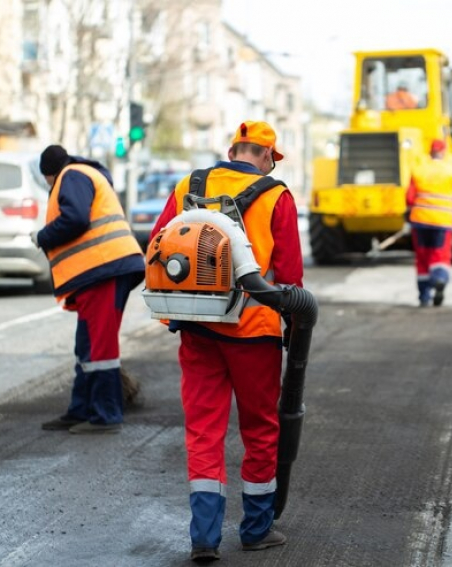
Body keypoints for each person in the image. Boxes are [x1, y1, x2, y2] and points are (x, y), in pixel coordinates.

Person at [149, 121, 303, 562]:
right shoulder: (276, 195)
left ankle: (204, 538)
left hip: (198, 329)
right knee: (259, 431)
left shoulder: (188, 185)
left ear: (232, 150)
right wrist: (294, 327)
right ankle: (256, 529)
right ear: (269, 157)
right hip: (254, 334)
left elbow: (159, 246)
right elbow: (290, 276)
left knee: (203, 431)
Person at [34, 144, 145, 434]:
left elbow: (76, 218)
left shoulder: (71, 175)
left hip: (103, 269)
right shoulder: (83, 173)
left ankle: (106, 415)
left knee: (100, 347)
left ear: (48, 174)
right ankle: (81, 409)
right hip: (100, 271)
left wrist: (42, 236)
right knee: (87, 345)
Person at [406, 139, 452, 307]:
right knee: (440, 255)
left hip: (420, 221)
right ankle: (439, 279)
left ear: (430, 151)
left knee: (422, 258)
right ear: (444, 152)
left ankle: (424, 296)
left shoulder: (419, 169)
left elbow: (409, 198)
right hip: (442, 221)